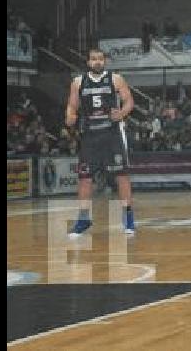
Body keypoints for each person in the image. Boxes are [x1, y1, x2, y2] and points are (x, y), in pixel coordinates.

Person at [65, 48, 136, 237]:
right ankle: (83, 219)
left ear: (104, 61)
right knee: (84, 178)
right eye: (93, 59)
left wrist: (121, 113)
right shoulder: (78, 82)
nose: (97, 62)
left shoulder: (116, 79)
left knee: (122, 176)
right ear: (88, 62)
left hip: (112, 133)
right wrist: (70, 117)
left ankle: (128, 218)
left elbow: (129, 101)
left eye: (100, 59)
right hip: (89, 135)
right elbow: (72, 106)